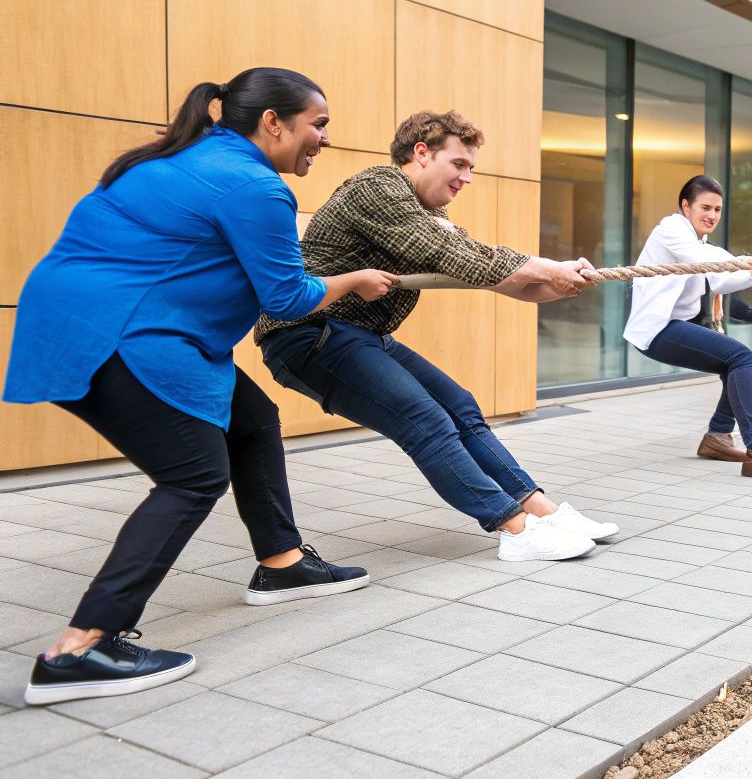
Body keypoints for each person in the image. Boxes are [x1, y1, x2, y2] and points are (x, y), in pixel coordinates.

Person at [4, 68, 393, 705]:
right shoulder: (256, 186)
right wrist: (353, 279)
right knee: (192, 475)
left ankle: (282, 563)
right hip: (126, 330)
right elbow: (287, 297)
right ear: (274, 123)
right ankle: (79, 649)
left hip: (89, 319)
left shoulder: (186, 158)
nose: (323, 139)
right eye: (317, 125)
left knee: (252, 417)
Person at [257, 111, 616, 563]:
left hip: (360, 334)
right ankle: (515, 528)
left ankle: (541, 510)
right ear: (422, 154)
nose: (467, 178)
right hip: (306, 335)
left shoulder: (431, 213)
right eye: (460, 164)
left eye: (472, 169)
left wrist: (565, 283)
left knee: (460, 406)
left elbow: (494, 277)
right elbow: (452, 253)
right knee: (425, 420)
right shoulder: (379, 187)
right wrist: (548, 268)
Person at [625, 175, 752, 481]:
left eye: (717, 210)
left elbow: (727, 279)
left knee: (734, 363)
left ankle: (718, 438)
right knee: (741, 357)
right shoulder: (672, 229)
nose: (712, 215)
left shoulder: (699, 243)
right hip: (656, 329)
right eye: (706, 207)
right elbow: (708, 263)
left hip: (673, 327)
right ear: (686, 206)